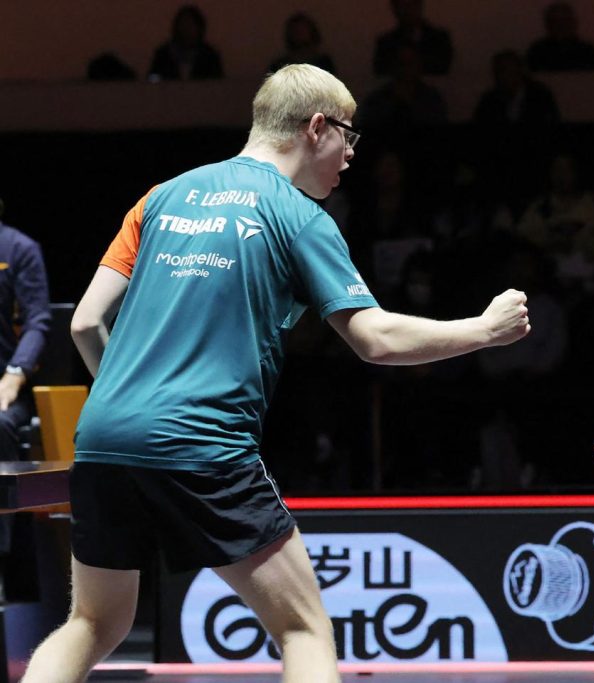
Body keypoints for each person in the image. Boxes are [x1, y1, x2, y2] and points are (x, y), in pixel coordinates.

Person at [21, 64, 530, 683]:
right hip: (201, 441)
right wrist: (483, 328)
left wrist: (129, 406)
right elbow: (375, 340)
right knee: (303, 628)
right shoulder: (299, 216)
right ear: (317, 127)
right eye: (349, 137)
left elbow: (84, 323)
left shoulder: (161, 196)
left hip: (104, 437)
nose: (350, 158)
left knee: (92, 624)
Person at [0, 197, 51, 595]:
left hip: (4, 385)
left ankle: (2, 561)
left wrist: (15, 374)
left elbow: (37, 320)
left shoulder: (18, 249)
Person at [372, 0, 453, 77]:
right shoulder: (385, 42)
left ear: (419, 6)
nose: (407, 10)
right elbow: (380, 70)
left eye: (411, 5)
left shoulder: (439, 39)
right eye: (402, 6)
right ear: (395, 9)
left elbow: (444, 68)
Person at [147, 4, 224, 81]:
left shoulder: (210, 57)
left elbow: (217, 84)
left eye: (190, 24)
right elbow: (153, 80)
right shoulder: (163, 55)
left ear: (199, 28)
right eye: (183, 24)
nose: (186, 28)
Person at [526, 2, 594, 72]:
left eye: (564, 20)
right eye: (555, 21)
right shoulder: (537, 51)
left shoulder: (588, 51)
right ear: (548, 24)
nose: (561, 25)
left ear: (573, 22)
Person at [267, 12, 336, 75]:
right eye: (296, 31)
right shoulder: (280, 65)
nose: (299, 34)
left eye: (302, 30)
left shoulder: (324, 63)